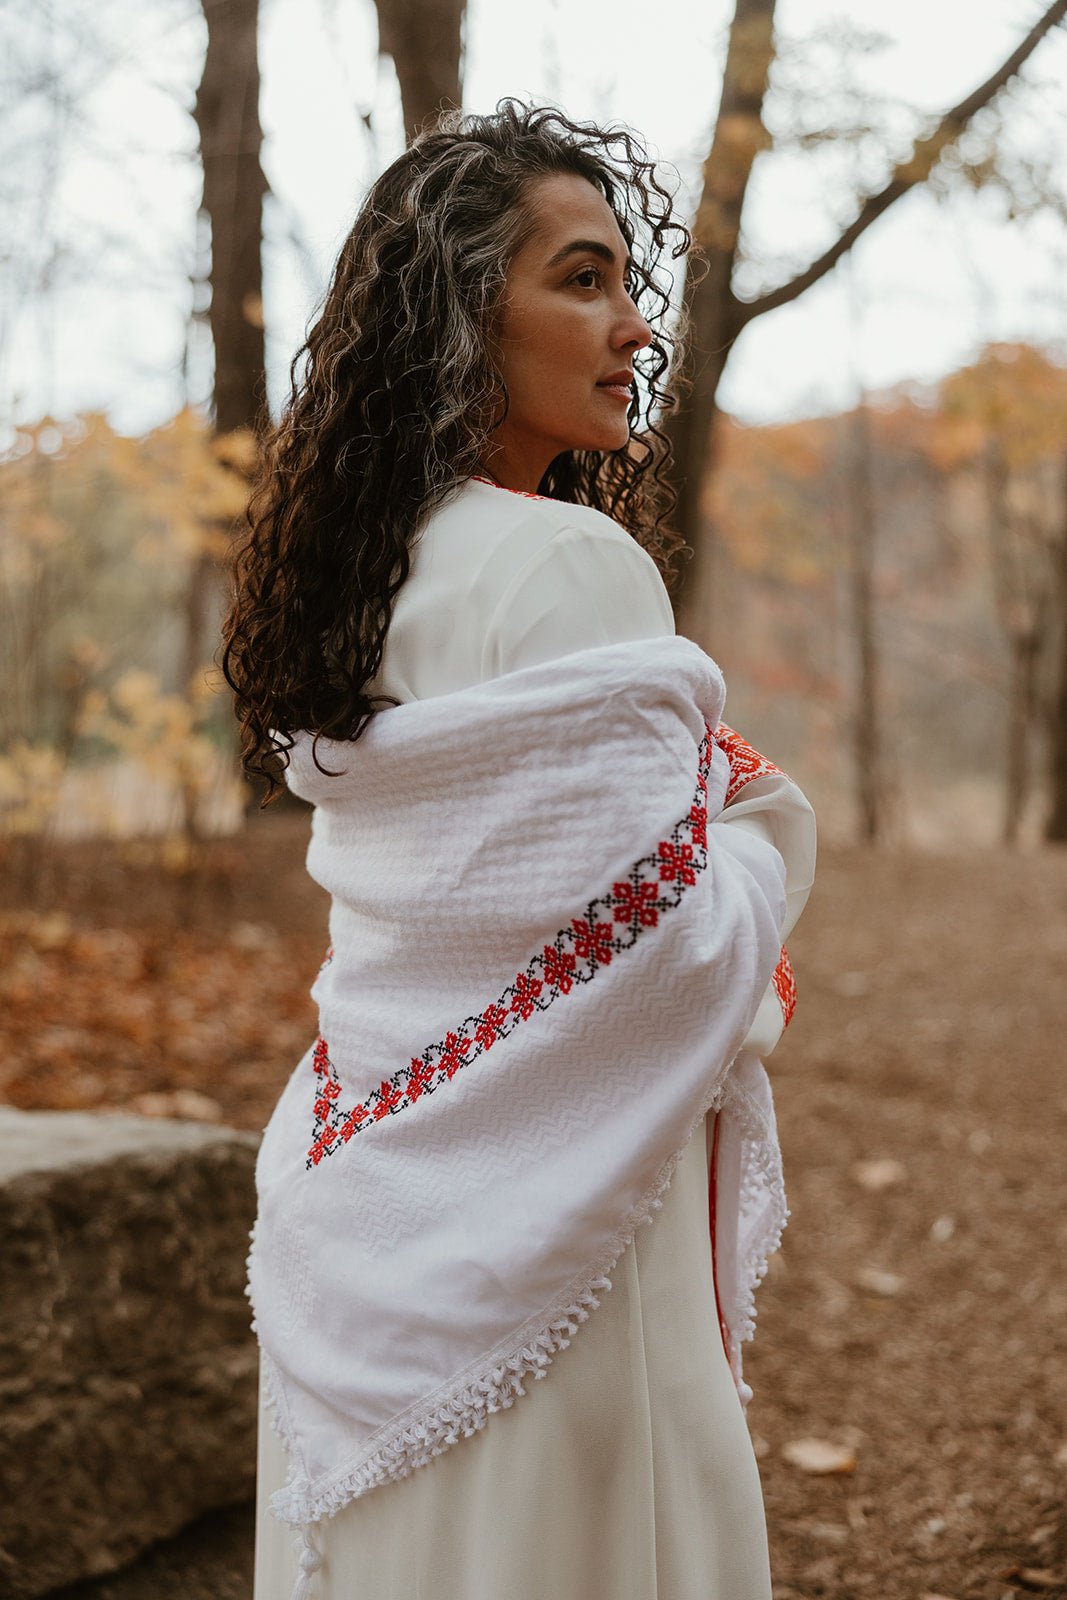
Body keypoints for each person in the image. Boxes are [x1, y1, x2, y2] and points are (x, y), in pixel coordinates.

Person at [223, 101, 815, 1600]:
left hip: (368, 1179)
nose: (631, 326)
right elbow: (660, 957)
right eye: (580, 278)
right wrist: (755, 825)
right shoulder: (570, 561)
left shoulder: (372, 572)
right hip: (558, 1252)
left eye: (630, 283)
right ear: (458, 310)